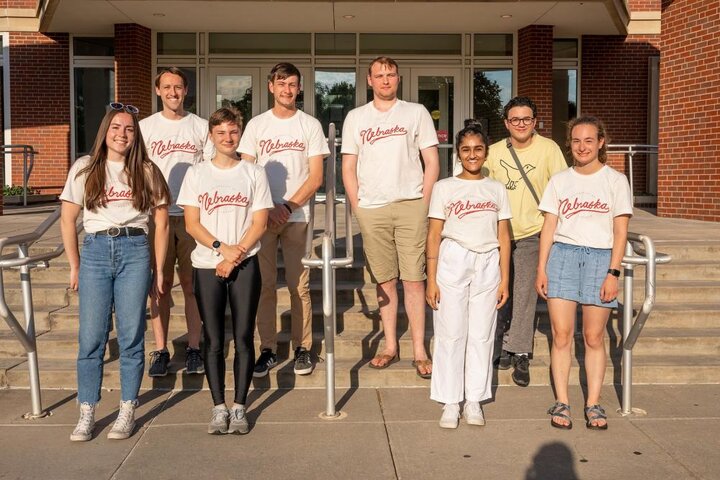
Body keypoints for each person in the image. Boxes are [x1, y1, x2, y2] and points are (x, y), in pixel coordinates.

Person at [60, 103, 171, 441]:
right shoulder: (84, 168)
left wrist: (160, 269)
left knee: (132, 334)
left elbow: (162, 222)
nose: (123, 134)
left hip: (134, 250)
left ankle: (127, 408)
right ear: (105, 132)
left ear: (136, 135)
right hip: (95, 251)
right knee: (91, 337)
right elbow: (68, 219)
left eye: (129, 129)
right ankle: (87, 410)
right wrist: (75, 264)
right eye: (117, 128)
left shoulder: (147, 170)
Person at [342, 56, 439, 378]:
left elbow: (431, 161)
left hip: (410, 204)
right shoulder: (356, 117)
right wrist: (358, 207)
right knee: (385, 282)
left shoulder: (416, 113)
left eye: (390, 75)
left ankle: (420, 350)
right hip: (372, 209)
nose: (385, 80)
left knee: (414, 280)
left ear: (398, 78)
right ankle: (389, 345)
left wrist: (423, 203)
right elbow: (348, 166)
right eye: (379, 76)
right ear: (369, 80)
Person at [177, 107, 273, 435]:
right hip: (207, 264)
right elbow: (191, 223)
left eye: (233, 132)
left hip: (245, 263)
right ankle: (218, 407)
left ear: (240, 133)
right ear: (211, 136)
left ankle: (240, 406)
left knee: (244, 336)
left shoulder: (253, 173)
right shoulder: (196, 174)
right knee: (214, 338)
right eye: (221, 133)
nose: (228, 138)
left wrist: (236, 254)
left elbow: (260, 222)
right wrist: (221, 249)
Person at [535, 116, 632, 430]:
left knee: (593, 337)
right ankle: (562, 402)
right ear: (570, 144)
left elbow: (620, 233)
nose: (582, 146)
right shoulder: (560, 180)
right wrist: (542, 268)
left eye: (589, 140)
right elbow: (549, 228)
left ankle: (593, 403)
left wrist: (612, 273)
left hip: (600, 260)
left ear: (601, 142)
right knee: (561, 336)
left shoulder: (615, 180)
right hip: (562, 257)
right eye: (576, 141)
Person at [238, 62, 329, 378]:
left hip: (296, 216)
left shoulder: (310, 125)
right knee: (263, 287)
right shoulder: (256, 126)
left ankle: (302, 348)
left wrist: (287, 207)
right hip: (261, 218)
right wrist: (268, 207)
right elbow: (245, 172)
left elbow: (315, 176)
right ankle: (267, 350)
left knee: (298, 286)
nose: (287, 89)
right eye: (281, 84)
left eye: (292, 84)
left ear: (299, 88)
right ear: (270, 87)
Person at [426, 124, 511, 428]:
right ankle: (450, 400)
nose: (472, 154)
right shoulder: (444, 187)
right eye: (466, 149)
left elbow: (503, 236)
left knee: (481, 333)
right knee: (450, 331)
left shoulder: (496, 188)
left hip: (487, 261)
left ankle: (473, 399)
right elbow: (434, 234)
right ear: (458, 154)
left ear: (485, 152)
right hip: (453, 259)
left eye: (478, 149)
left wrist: (505, 279)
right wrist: (431, 278)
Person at [484, 96, 567, 387]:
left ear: (535, 122)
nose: (521, 124)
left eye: (527, 119)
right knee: (499, 289)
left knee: (523, 292)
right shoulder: (492, 152)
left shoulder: (549, 149)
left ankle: (519, 350)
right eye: (515, 119)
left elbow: (560, 189)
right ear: (506, 123)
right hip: (498, 233)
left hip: (534, 231)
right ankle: (503, 342)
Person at [140, 67, 214, 377]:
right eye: (167, 87)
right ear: (158, 91)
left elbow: (211, 170)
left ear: (186, 91)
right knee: (159, 285)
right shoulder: (144, 128)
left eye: (179, 87)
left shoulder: (199, 126)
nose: (173, 92)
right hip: (154, 217)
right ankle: (160, 349)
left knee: (191, 285)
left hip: (190, 216)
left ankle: (195, 348)